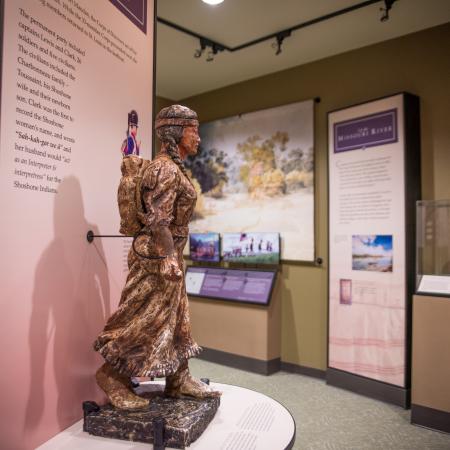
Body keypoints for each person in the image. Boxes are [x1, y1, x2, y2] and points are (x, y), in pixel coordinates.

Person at [94, 105, 220, 409]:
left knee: (178, 321)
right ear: (176, 133)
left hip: (169, 253)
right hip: (156, 257)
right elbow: (158, 219)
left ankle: (178, 379)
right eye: (194, 131)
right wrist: (168, 258)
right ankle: (112, 376)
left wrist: (173, 255)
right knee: (146, 320)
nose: (198, 138)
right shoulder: (164, 169)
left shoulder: (174, 168)